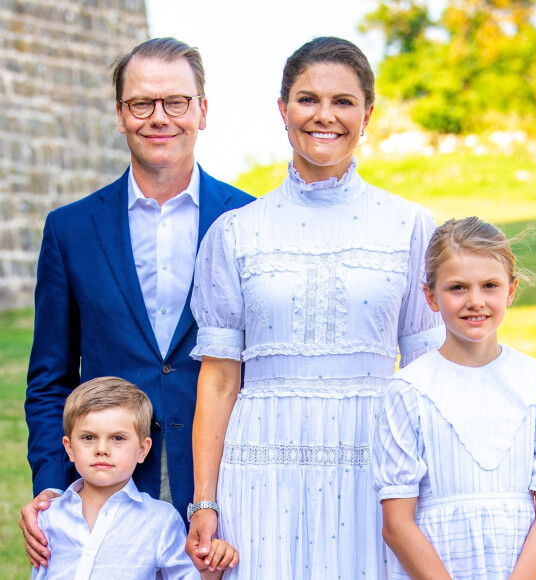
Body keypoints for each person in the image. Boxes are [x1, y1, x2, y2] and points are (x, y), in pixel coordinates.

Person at [185, 37, 444, 578]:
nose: (324, 116)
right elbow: (218, 380)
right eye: (307, 99)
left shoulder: (411, 227)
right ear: (283, 110)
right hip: (260, 462)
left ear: (368, 114)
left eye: (344, 102)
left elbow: (429, 377)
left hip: (376, 462)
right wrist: (204, 502)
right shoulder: (236, 232)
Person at [21, 37, 254, 570]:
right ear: (120, 114)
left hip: (224, 476)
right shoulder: (70, 229)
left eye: (176, 101)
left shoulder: (249, 219)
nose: (159, 117)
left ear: (202, 110)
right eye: (141, 103)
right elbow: (49, 377)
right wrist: (51, 485)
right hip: (108, 481)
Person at [373, 217, 536, 579]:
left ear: (511, 291)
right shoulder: (408, 391)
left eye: (490, 286)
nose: (475, 301)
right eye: (457, 288)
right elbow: (397, 524)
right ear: (431, 297)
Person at [32, 377, 238, 579]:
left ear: (142, 449)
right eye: (88, 437)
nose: (101, 449)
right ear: (69, 448)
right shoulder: (48, 516)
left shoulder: (160, 520)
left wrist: (212, 566)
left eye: (118, 438)